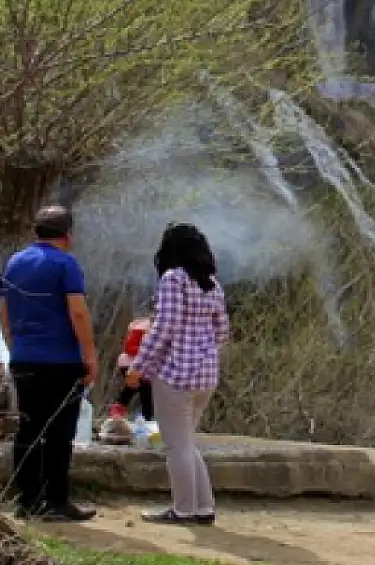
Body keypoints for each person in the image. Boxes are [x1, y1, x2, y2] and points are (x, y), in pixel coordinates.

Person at [0, 204, 98, 522]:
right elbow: (78, 312)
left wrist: (15, 346)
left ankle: (27, 502)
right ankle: (56, 503)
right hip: (61, 362)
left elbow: (4, 313)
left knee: (27, 430)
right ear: (68, 235)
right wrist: (90, 355)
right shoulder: (66, 265)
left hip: (24, 358)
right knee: (59, 433)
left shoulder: (14, 263)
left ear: (36, 232)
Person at [126, 223, 230, 526]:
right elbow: (223, 331)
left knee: (176, 446)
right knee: (187, 443)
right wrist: (205, 354)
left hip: (175, 375)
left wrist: (139, 366)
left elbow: (163, 328)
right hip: (206, 377)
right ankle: (204, 508)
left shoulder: (174, 280)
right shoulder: (212, 284)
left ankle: (183, 510)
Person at [111, 312, 155, 421]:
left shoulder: (154, 327)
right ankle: (147, 419)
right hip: (130, 363)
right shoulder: (142, 328)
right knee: (144, 390)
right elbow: (129, 347)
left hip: (143, 365)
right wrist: (147, 351)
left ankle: (118, 413)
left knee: (134, 390)